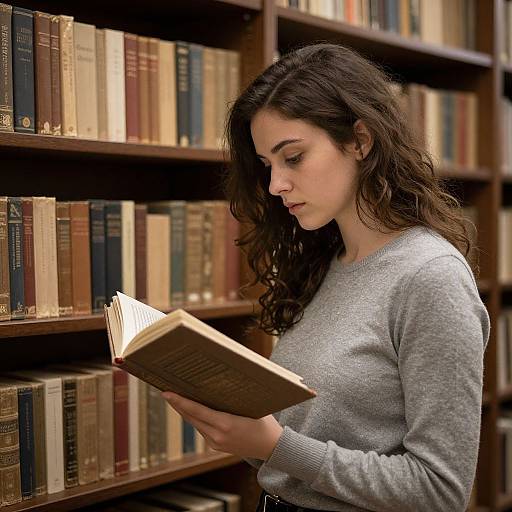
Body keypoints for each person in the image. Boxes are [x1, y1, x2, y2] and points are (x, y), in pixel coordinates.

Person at [162, 43, 490, 512]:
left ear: (360, 140)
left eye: (292, 157)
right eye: (267, 166)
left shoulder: (431, 278)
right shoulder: (324, 263)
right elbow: (307, 443)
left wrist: (275, 445)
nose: (276, 186)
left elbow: (441, 491)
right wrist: (248, 435)